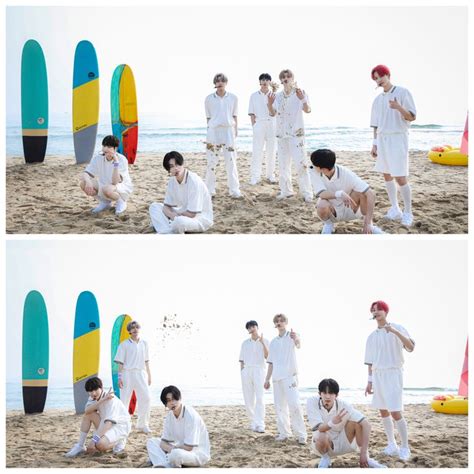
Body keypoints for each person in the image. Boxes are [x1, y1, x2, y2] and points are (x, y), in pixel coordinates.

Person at [364, 301, 415, 461]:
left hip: (394, 373)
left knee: (395, 411)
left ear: (385, 311)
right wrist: (370, 381)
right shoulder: (371, 337)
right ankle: (392, 444)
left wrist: (393, 331)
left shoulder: (398, 327)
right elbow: (370, 361)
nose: (376, 311)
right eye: (373, 310)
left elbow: (411, 346)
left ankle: (405, 446)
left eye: (379, 309)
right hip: (378, 375)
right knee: (383, 410)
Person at [370, 65, 417, 227]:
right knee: (386, 175)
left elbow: (411, 117)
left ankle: (408, 212)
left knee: (400, 176)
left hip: (398, 138)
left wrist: (398, 107)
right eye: (375, 78)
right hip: (382, 140)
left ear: (387, 75)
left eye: (380, 76)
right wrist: (374, 144)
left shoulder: (403, 92)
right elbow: (375, 125)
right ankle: (395, 208)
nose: (378, 80)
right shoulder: (377, 100)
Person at [307, 378, 386, 468]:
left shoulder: (344, 405)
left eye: (331, 393)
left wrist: (363, 453)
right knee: (321, 434)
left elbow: (366, 425)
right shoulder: (312, 401)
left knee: (357, 423)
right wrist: (332, 422)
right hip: (321, 445)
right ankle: (325, 459)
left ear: (336, 395)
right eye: (325, 393)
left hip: (342, 443)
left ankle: (367, 459)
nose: (327, 396)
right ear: (319, 394)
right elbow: (320, 428)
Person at [309, 149, 384, 234]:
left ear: (322, 168)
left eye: (314, 164)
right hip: (332, 211)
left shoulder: (345, 173)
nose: (312, 165)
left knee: (363, 193)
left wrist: (368, 222)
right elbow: (321, 194)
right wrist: (339, 194)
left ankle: (370, 226)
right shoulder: (313, 170)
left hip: (351, 208)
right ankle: (328, 225)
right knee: (321, 204)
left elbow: (371, 194)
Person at [267, 69, 313, 203]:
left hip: (296, 134)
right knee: (283, 164)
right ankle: (286, 191)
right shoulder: (278, 96)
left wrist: (303, 99)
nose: (286, 78)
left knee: (301, 164)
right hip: (281, 134)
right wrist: (269, 103)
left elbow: (308, 109)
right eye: (283, 77)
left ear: (293, 78)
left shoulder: (300, 93)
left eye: (288, 76)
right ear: (281, 80)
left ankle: (307, 192)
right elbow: (272, 113)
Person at [264, 313, 307, 445]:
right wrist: (267, 379)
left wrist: (296, 338)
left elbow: (298, 344)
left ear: (286, 323)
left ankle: (301, 435)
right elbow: (270, 363)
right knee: (280, 408)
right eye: (277, 321)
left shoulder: (291, 336)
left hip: (290, 377)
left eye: (282, 321)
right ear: (275, 324)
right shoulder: (273, 342)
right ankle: (284, 433)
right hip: (277, 379)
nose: (279, 323)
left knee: (294, 405)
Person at [64, 376, 131, 457]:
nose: (93, 393)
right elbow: (87, 411)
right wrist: (102, 400)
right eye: (90, 391)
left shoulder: (111, 398)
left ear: (101, 388)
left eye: (95, 390)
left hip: (120, 426)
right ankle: (80, 445)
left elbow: (109, 423)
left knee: (99, 444)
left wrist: (93, 440)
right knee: (88, 415)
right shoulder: (93, 397)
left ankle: (120, 440)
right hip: (105, 422)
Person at [149, 151, 213, 234]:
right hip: (182, 213)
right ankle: (167, 231)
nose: (176, 168)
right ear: (168, 169)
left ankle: (164, 229)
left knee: (179, 222)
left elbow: (192, 214)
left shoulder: (193, 181)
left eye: (178, 164)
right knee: (154, 207)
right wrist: (172, 215)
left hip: (200, 219)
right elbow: (166, 207)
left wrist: (175, 216)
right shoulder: (172, 180)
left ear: (182, 164)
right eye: (172, 166)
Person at [146, 385, 211, 468]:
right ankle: (164, 465)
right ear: (165, 404)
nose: (172, 402)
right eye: (168, 400)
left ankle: (163, 463)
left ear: (179, 398)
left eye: (174, 398)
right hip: (179, 449)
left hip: (197, 454)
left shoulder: (190, 415)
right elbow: (163, 443)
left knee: (175, 455)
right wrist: (172, 448)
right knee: (152, 442)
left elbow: (189, 447)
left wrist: (172, 449)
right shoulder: (169, 416)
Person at [204, 73, 242, 198]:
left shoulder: (233, 98)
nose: (219, 83)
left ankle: (234, 190)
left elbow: (235, 115)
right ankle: (209, 190)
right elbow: (208, 118)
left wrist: (235, 130)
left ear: (226, 83)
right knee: (211, 161)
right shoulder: (209, 99)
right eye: (217, 81)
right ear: (215, 83)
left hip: (228, 132)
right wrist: (209, 132)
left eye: (222, 81)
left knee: (231, 161)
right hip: (213, 132)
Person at [113, 320, 152, 434]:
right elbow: (120, 363)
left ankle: (142, 424)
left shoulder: (144, 343)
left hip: (141, 373)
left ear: (139, 329)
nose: (135, 329)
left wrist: (149, 375)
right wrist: (119, 378)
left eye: (136, 327)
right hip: (127, 374)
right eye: (132, 328)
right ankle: (124, 424)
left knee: (146, 398)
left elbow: (147, 361)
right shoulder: (124, 344)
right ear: (129, 331)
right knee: (124, 400)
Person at [79, 135, 133, 215]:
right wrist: (88, 182)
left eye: (109, 146)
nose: (105, 149)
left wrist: (116, 164)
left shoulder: (121, 159)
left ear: (115, 148)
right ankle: (105, 203)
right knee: (83, 183)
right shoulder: (98, 158)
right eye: (104, 146)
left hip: (120, 186)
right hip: (104, 184)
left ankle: (121, 201)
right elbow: (85, 173)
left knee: (107, 189)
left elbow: (115, 182)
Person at [239, 320, 269, 433]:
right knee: (248, 397)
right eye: (249, 328)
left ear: (257, 327)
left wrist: (262, 342)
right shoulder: (245, 343)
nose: (251, 329)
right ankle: (253, 421)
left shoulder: (265, 341)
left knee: (260, 397)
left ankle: (260, 423)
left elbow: (268, 357)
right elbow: (241, 360)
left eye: (252, 326)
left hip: (259, 370)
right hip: (247, 370)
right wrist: (242, 372)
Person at [248, 73, 277, 185]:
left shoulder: (274, 95)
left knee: (271, 151)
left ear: (270, 82)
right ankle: (255, 176)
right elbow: (251, 113)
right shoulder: (253, 96)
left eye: (267, 80)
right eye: (262, 80)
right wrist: (254, 126)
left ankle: (271, 175)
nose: (264, 82)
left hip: (272, 124)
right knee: (257, 151)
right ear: (259, 82)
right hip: (259, 124)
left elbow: (274, 113)